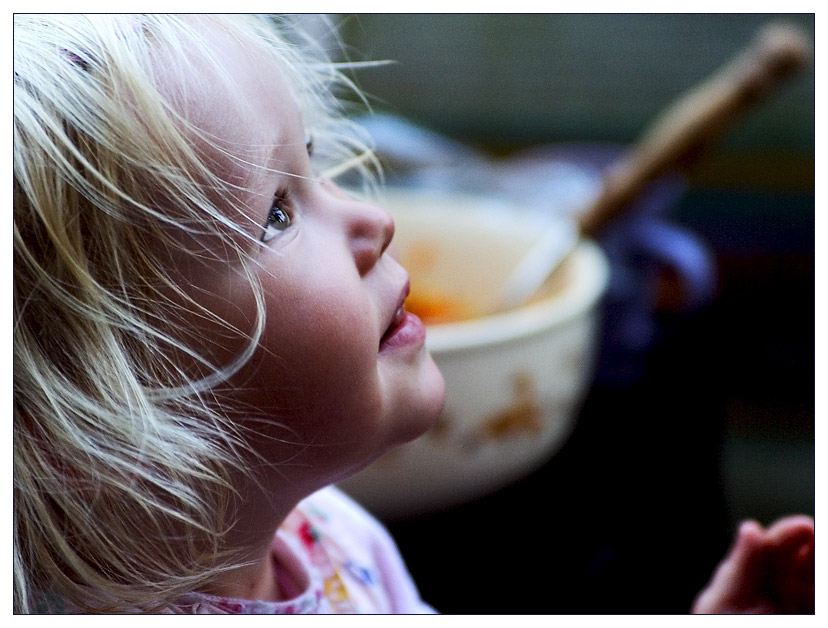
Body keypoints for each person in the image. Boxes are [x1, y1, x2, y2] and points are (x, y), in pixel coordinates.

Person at [13, 14, 813, 615]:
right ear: (97, 409)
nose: (375, 221)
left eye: (316, 164)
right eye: (277, 214)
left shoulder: (324, 535)